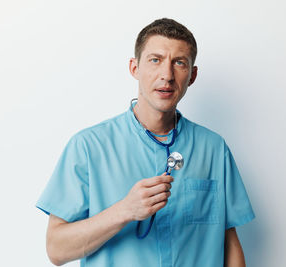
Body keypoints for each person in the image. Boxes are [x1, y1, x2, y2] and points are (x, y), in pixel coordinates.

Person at [36, 18, 255, 267]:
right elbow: (56, 249)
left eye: (179, 63)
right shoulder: (88, 147)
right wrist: (125, 210)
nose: (167, 75)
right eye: (155, 60)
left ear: (192, 75)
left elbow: (229, 242)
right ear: (134, 68)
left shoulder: (214, 149)